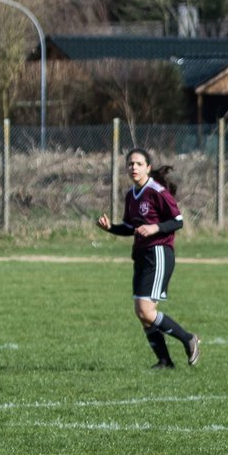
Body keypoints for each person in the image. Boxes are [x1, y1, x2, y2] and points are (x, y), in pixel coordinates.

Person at [95, 148, 201, 370]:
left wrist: (155, 227)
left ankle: (188, 338)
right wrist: (110, 228)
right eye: (130, 164)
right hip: (141, 255)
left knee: (146, 311)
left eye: (139, 164)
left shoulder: (157, 191)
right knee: (142, 313)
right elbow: (130, 228)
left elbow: (178, 220)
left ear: (148, 168)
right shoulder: (130, 195)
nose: (134, 167)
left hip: (159, 252)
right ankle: (164, 361)